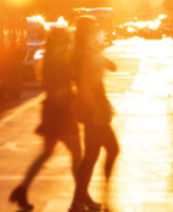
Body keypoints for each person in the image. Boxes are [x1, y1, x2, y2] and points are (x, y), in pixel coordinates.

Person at [9, 27, 82, 210]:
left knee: (47, 153)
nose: (68, 41)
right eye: (65, 38)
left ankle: (23, 189)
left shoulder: (50, 59)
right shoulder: (59, 60)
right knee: (77, 154)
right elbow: (61, 88)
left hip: (51, 111)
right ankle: (78, 199)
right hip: (61, 113)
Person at [69, 17, 119, 212]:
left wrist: (103, 59)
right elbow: (84, 86)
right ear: (86, 32)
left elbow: (110, 66)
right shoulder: (83, 54)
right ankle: (83, 200)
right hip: (92, 111)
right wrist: (97, 109)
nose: (97, 30)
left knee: (93, 155)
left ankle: (80, 199)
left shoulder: (89, 52)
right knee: (105, 151)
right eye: (94, 28)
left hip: (95, 109)